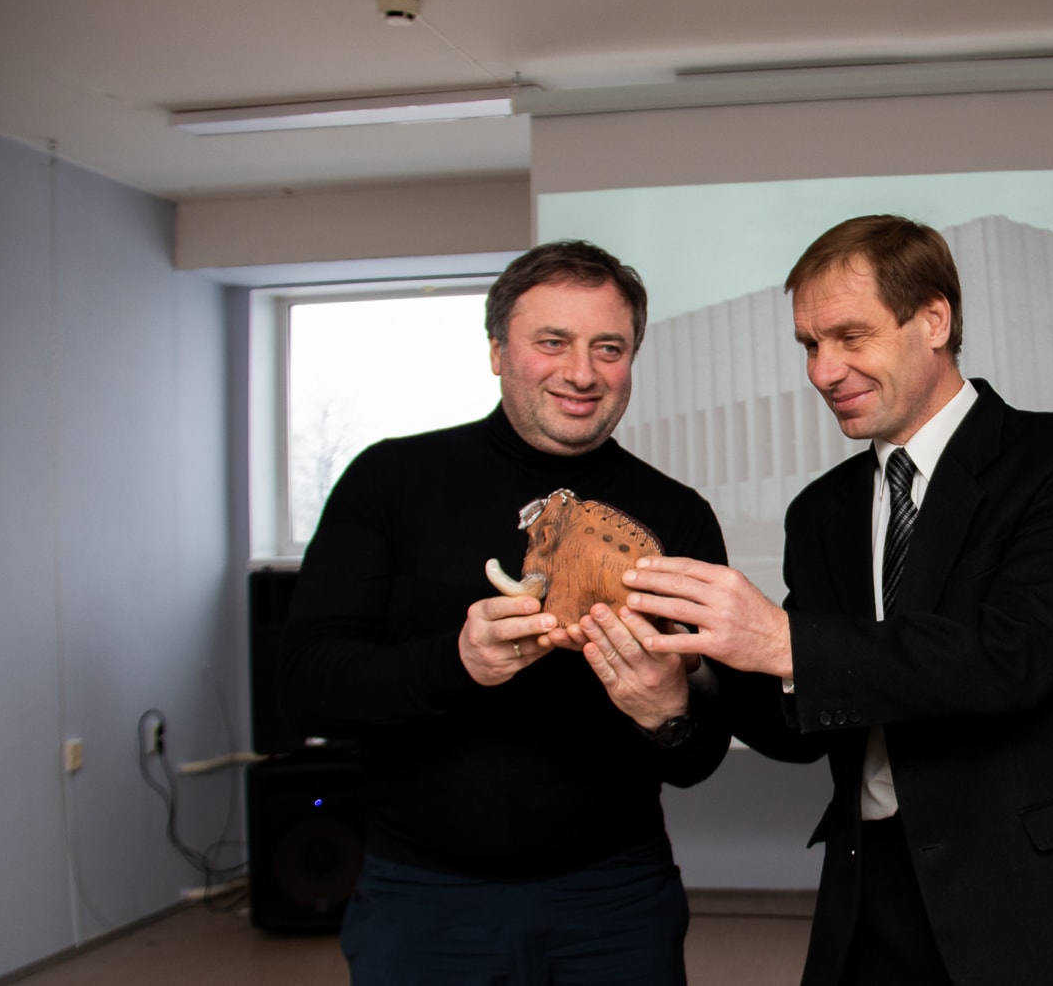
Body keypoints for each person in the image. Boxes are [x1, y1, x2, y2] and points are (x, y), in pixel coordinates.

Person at [615, 215, 1053, 984]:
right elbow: (803, 721)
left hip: (1033, 896)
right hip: (868, 896)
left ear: (933, 320)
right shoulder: (820, 510)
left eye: (849, 337)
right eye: (808, 344)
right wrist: (688, 672)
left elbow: (1011, 657)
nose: (822, 370)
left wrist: (783, 641)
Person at [279, 240, 730, 985]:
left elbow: (698, 759)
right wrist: (456, 662)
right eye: (551, 342)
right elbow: (306, 683)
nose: (581, 372)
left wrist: (668, 713)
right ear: (496, 351)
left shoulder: (676, 516)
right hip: (421, 899)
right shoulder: (390, 479)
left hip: (614, 899)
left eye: (608, 347)